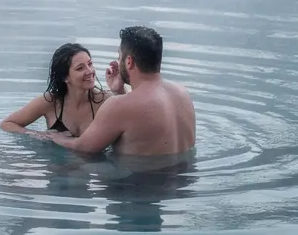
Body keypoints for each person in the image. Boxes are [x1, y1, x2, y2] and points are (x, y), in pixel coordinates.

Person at [35, 26, 195, 157]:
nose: (118, 61)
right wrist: (118, 90)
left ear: (129, 61)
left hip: (138, 188)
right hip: (183, 183)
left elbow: (83, 148)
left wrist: (55, 137)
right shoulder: (182, 93)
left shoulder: (118, 106)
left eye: (120, 57)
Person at [0, 43, 109, 138]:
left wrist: (119, 88)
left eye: (90, 64)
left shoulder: (106, 101)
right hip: (56, 161)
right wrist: (40, 135)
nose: (90, 71)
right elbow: (7, 124)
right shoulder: (50, 102)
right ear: (65, 77)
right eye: (80, 68)